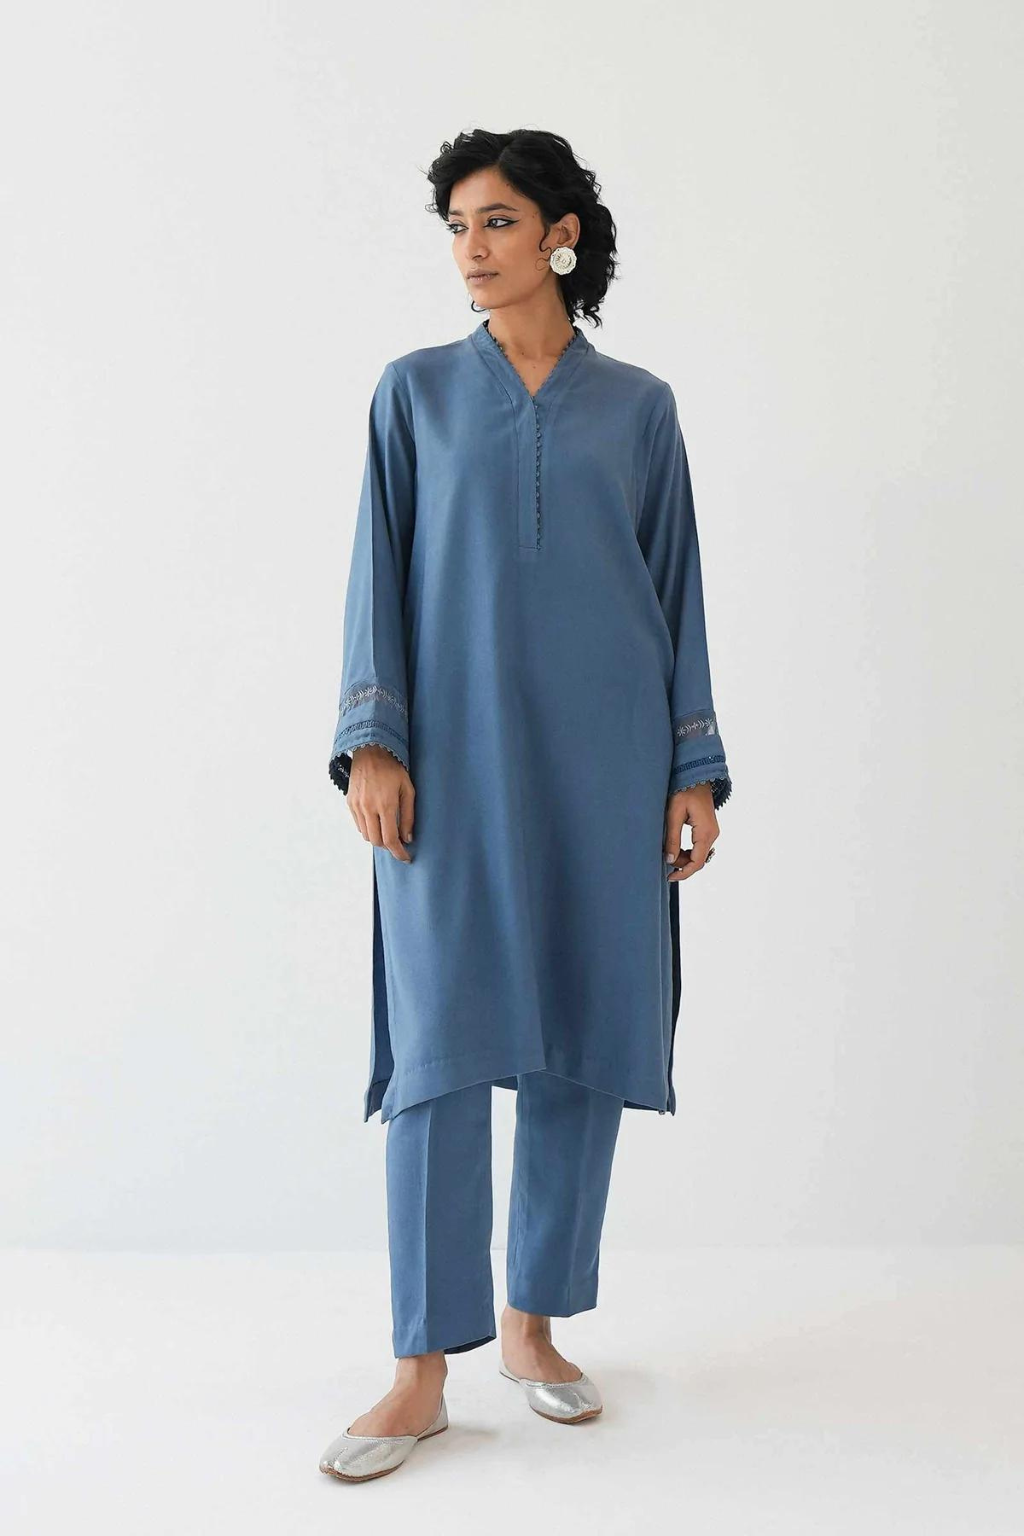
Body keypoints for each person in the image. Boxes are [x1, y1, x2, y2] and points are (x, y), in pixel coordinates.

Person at [319, 127, 733, 1483]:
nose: (470, 250)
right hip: (449, 768)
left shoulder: (639, 408)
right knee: (438, 1049)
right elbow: (376, 571)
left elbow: (675, 588)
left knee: (575, 1037)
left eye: (496, 221)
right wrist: (373, 743)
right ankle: (419, 1371)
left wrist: (690, 766)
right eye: (455, 226)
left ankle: (534, 1327)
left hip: (604, 767)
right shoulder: (416, 395)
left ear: (561, 235)